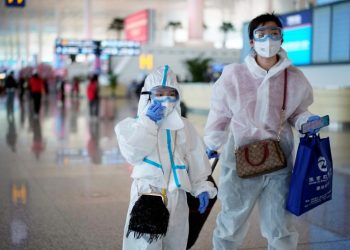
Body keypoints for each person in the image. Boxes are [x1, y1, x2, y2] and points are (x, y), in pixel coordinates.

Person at [204, 13, 321, 250]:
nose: (268, 39)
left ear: (282, 38)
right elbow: (220, 112)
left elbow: (299, 111)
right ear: (251, 41)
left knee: (280, 224)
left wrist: (306, 121)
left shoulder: (294, 77)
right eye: (261, 34)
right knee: (231, 220)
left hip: (279, 158)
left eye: (274, 33)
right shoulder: (234, 75)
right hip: (239, 157)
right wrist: (213, 141)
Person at [115, 65, 217, 250]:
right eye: (159, 93)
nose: (166, 98)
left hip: (177, 197)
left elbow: (195, 159)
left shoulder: (185, 127)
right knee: (144, 245)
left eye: (171, 93)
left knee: (175, 243)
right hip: (147, 194)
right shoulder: (133, 126)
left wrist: (201, 186)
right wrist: (148, 123)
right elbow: (133, 154)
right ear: (147, 95)